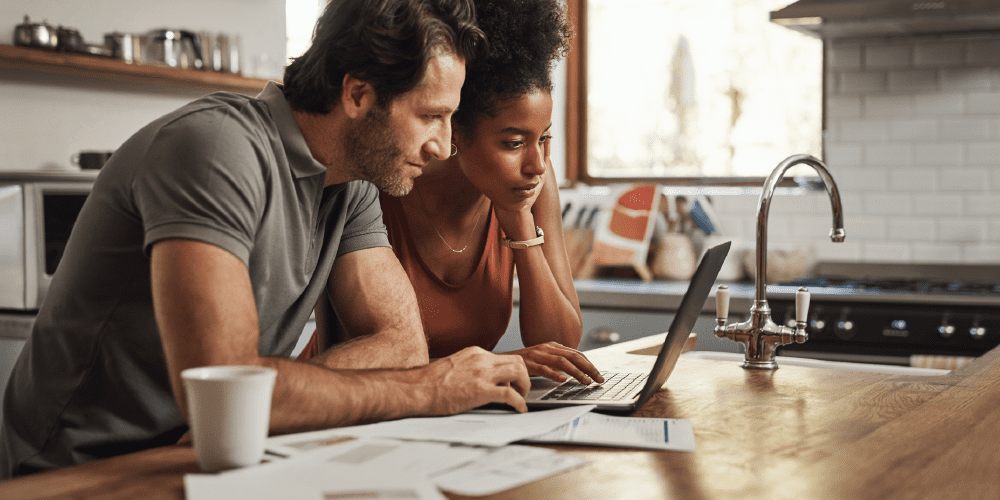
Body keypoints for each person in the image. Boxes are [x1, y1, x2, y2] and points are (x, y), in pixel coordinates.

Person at [0, 0, 531, 478]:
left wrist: (267, 397)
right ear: (358, 93)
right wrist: (427, 390)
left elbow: (400, 345)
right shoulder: (216, 148)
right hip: (77, 474)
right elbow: (229, 395)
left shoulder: (351, 184)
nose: (442, 146)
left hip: (208, 459)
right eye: (431, 116)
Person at [311, 0, 603, 386]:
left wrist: (518, 223)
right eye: (514, 143)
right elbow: (369, 351)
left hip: (457, 414)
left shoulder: (531, 184)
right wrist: (500, 364)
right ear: (457, 131)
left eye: (544, 138)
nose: (537, 164)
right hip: (348, 400)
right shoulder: (385, 180)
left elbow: (561, 344)